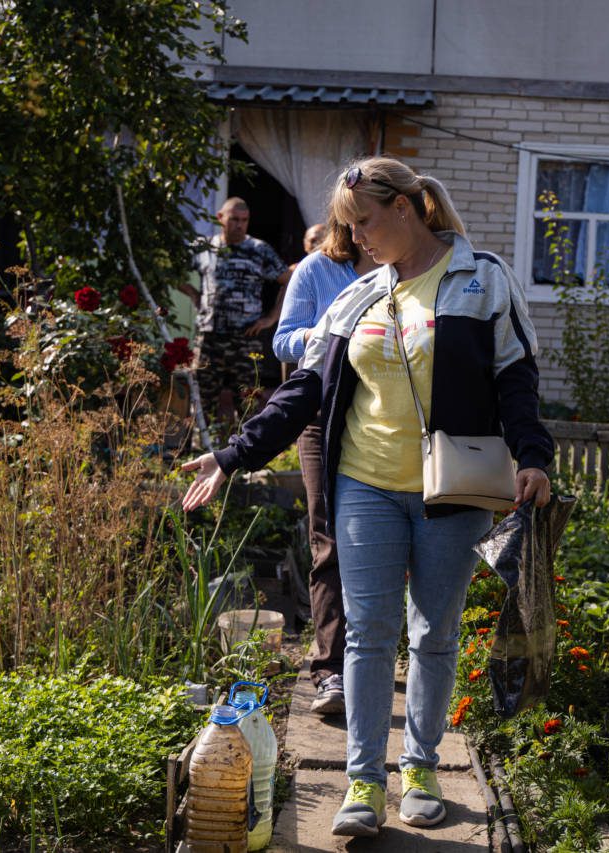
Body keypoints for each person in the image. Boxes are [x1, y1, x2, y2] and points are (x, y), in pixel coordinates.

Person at [183, 156, 553, 838]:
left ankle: (420, 764)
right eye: (348, 229)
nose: (355, 241)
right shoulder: (357, 295)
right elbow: (303, 391)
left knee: (434, 635)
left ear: (408, 209)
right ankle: (363, 778)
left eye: (365, 224)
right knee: (367, 633)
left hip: (454, 487)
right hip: (365, 487)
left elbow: (516, 377)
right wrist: (234, 453)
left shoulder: (483, 279)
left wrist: (533, 456)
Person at [273, 212, 376, 716]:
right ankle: (330, 671)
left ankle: (369, 661)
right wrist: (325, 333)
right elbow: (283, 340)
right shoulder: (317, 270)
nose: (368, 231)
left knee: (381, 541)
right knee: (328, 539)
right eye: (360, 220)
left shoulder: (401, 268)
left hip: (382, 421)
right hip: (319, 416)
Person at [178, 198, 291, 427]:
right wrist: (194, 295)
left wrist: (272, 317)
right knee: (201, 402)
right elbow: (173, 271)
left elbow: (288, 280)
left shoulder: (258, 250)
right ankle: (200, 453)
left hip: (246, 338)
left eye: (244, 220)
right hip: (209, 337)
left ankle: (246, 455)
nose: (240, 225)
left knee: (249, 402)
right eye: (234, 219)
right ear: (220, 218)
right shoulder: (205, 248)